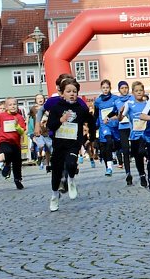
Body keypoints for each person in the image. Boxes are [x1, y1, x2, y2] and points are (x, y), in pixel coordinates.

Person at [45, 78, 95, 212]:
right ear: (62, 93)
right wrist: (60, 120)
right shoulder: (56, 108)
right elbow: (50, 125)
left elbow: (91, 121)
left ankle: (71, 180)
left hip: (73, 143)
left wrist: (92, 137)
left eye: (74, 91)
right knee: (56, 173)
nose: (72, 94)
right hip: (59, 144)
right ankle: (54, 196)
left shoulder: (80, 109)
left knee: (71, 163)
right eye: (68, 91)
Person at [94, 79, 121, 176]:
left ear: (110, 88)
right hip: (104, 125)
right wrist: (94, 125)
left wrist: (113, 117)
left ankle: (115, 155)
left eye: (107, 87)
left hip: (114, 124)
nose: (105, 90)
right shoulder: (98, 101)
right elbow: (96, 114)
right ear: (101, 88)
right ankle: (109, 167)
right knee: (107, 143)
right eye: (103, 88)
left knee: (117, 144)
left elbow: (118, 111)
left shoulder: (115, 98)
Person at [113, 80, 133, 182]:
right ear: (119, 90)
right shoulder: (116, 101)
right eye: (122, 88)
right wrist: (109, 118)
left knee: (136, 150)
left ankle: (141, 171)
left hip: (133, 127)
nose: (124, 90)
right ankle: (128, 173)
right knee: (125, 151)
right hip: (122, 128)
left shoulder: (132, 98)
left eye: (126, 87)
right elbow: (113, 112)